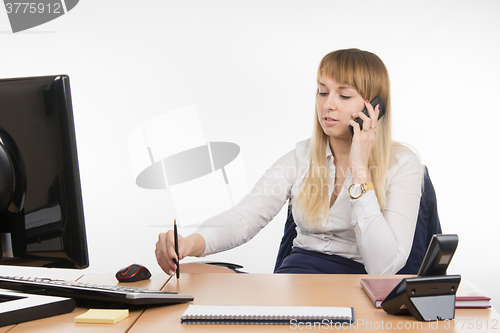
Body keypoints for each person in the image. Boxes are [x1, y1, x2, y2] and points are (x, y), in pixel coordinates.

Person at [155, 48, 422, 275]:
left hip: (358, 285)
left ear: (374, 108)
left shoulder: (402, 165)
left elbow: (384, 267)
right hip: (296, 278)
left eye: (343, 95)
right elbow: (246, 217)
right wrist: (189, 243)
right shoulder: (301, 157)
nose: (328, 105)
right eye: (322, 92)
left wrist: (360, 169)